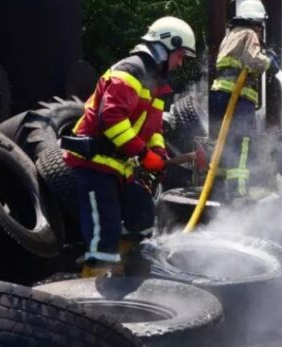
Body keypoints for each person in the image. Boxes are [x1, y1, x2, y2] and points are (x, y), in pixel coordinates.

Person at [62, 16, 196, 277]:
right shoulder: (129, 72)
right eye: (180, 55)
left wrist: (158, 153)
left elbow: (154, 129)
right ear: (166, 47)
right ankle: (93, 285)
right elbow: (111, 120)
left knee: (143, 214)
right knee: (105, 228)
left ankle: (120, 269)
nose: (181, 63)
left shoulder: (157, 84)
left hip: (121, 165)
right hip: (95, 164)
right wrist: (143, 154)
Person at [209, 0, 280, 199]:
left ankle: (218, 190)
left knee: (223, 142)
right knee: (242, 141)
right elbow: (252, 59)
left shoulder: (230, 34)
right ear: (257, 22)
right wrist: (269, 62)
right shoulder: (250, 33)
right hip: (237, 98)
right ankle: (238, 192)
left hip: (219, 94)